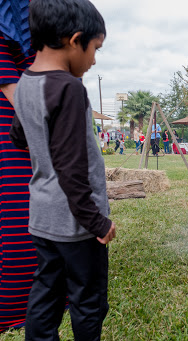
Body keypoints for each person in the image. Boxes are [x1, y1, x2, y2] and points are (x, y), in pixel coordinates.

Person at [9, 0, 116, 339]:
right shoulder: (69, 88)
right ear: (74, 40)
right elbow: (72, 170)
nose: (94, 59)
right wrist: (98, 221)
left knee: (46, 293)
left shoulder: (25, 82)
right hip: (77, 226)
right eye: (95, 48)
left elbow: (18, 136)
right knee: (89, 300)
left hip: (41, 218)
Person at [0, 0, 38, 333]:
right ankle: (13, 304)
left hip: (33, 93)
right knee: (15, 204)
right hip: (14, 102)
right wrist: (31, 111)